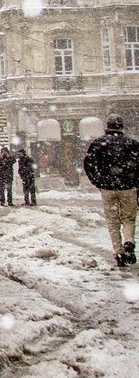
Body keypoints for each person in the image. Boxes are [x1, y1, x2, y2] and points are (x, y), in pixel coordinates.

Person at [83, 114, 139, 267]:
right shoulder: (132, 144)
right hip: (128, 187)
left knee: (112, 222)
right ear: (121, 126)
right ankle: (129, 241)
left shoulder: (98, 144)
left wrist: (98, 181)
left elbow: (89, 164)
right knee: (129, 218)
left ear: (106, 126)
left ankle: (119, 252)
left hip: (108, 188)